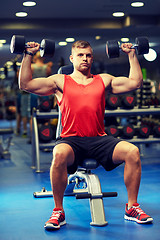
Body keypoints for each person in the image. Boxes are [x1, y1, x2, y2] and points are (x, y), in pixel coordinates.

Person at [19, 40, 153, 230]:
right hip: (71, 140)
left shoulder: (103, 79)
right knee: (58, 154)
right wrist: (28, 54)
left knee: (132, 152)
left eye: (88, 55)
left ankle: (132, 207)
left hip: (99, 138)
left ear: (92, 58)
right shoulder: (60, 81)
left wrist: (132, 54)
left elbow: (135, 83)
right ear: (72, 58)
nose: (85, 58)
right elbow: (25, 84)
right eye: (81, 55)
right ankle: (58, 211)